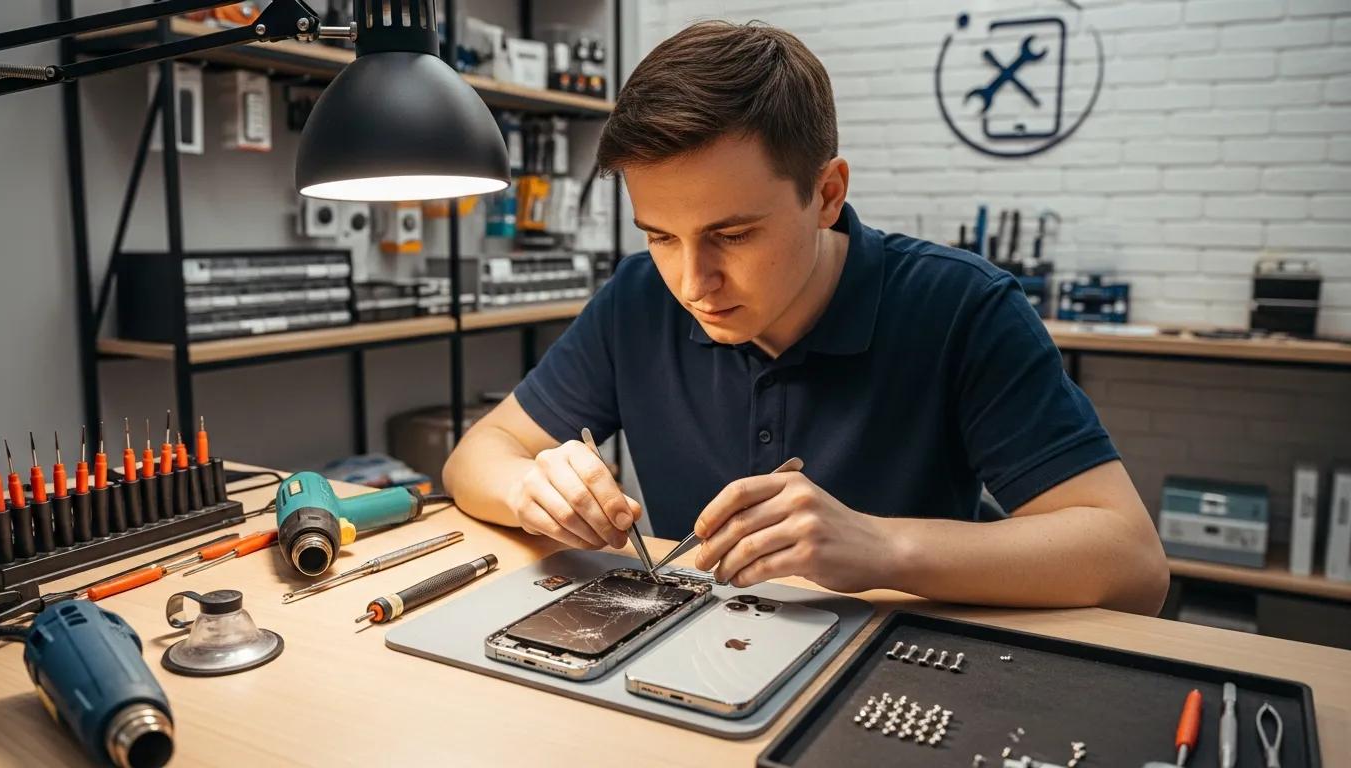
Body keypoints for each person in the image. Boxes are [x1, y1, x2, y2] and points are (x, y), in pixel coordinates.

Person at [443, 20, 1168, 614]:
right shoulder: (638, 298)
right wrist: (530, 487)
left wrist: (882, 548)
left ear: (826, 193)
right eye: (660, 234)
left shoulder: (962, 309)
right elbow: (476, 456)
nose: (693, 281)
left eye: (732, 235)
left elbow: (1132, 561)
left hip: (891, 666)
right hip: (693, 658)